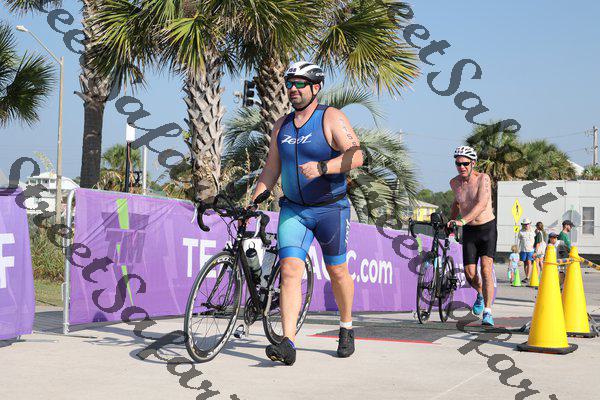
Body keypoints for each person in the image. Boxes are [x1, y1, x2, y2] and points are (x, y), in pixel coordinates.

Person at [250, 61, 364, 365]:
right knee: (289, 271)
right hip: (294, 210)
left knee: (337, 271)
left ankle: (346, 325)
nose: (293, 89)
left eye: (300, 83)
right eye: (289, 83)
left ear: (316, 87)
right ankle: (287, 342)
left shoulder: (330, 117)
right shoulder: (281, 125)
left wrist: (323, 167)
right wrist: (255, 199)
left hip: (331, 209)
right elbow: (272, 167)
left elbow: (357, 155)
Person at [448, 146, 497, 326]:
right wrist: (451, 222)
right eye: (458, 163)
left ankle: (488, 312)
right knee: (469, 274)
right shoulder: (454, 183)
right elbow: (457, 203)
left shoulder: (483, 179)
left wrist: (462, 220)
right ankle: (480, 294)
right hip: (469, 230)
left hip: (487, 229)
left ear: (473, 163)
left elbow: (481, 204)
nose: (461, 167)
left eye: (465, 163)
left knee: (486, 269)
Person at [518, 218, 535, 283]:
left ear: (530, 224)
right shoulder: (521, 231)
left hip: (531, 250)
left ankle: (528, 277)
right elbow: (519, 240)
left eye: (527, 224)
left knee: (529, 262)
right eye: (525, 224)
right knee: (525, 263)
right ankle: (527, 277)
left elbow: (536, 240)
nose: (526, 225)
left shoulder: (533, 231)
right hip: (523, 249)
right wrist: (518, 249)